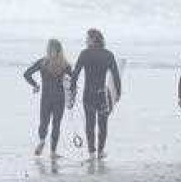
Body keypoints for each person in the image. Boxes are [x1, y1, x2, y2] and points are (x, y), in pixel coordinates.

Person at [71, 28, 122, 160]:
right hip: (101, 94)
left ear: (93, 39)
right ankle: (100, 151)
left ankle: (91, 152)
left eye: (87, 38)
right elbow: (116, 76)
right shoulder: (108, 55)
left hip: (88, 94)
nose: (86, 40)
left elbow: (75, 74)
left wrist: (72, 91)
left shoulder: (84, 54)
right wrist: (118, 92)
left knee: (90, 124)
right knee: (103, 124)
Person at [23, 39, 74, 157]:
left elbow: (26, 74)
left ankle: (41, 141)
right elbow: (73, 82)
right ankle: (53, 152)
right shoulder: (65, 65)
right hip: (59, 98)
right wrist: (71, 97)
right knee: (56, 124)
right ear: (60, 50)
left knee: (44, 122)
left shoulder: (42, 62)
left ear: (48, 49)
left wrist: (35, 85)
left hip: (46, 97)